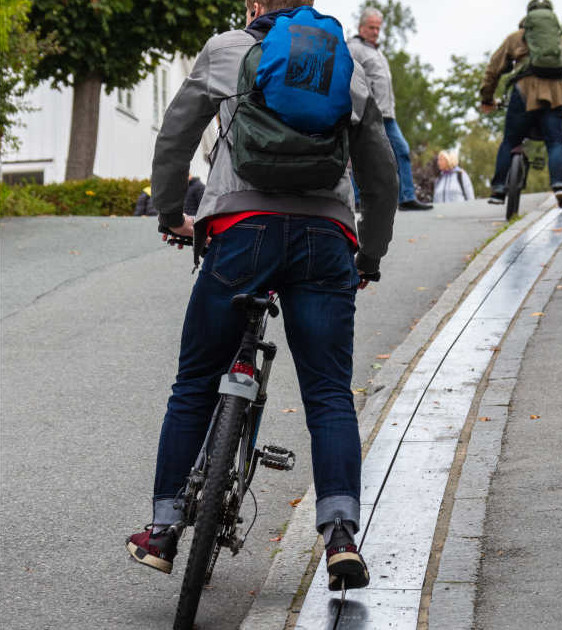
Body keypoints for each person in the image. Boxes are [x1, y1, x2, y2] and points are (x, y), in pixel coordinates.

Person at [126, 0, 399, 592]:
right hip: (326, 238)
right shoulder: (347, 64)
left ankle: (165, 528)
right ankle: (341, 539)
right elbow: (383, 175)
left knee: (195, 382)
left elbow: (176, 136)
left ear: (253, 5)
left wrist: (172, 212)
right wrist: (369, 256)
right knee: (328, 393)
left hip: (239, 231)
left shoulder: (225, 50)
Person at [479, 0, 562, 209]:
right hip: (555, 95)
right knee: (555, 142)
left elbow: (493, 70)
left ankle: (498, 189)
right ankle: (559, 185)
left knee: (510, 140)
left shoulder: (515, 39)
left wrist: (487, 98)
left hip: (523, 92)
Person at [347, 8, 432, 211]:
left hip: (387, 114)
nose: (376, 32)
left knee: (399, 151)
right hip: (368, 111)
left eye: (378, 28)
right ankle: (358, 200)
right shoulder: (354, 48)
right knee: (365, 154)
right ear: (361, 27)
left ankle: (406, 197)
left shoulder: (376, 51)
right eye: (371, 27)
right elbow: (349, 77)